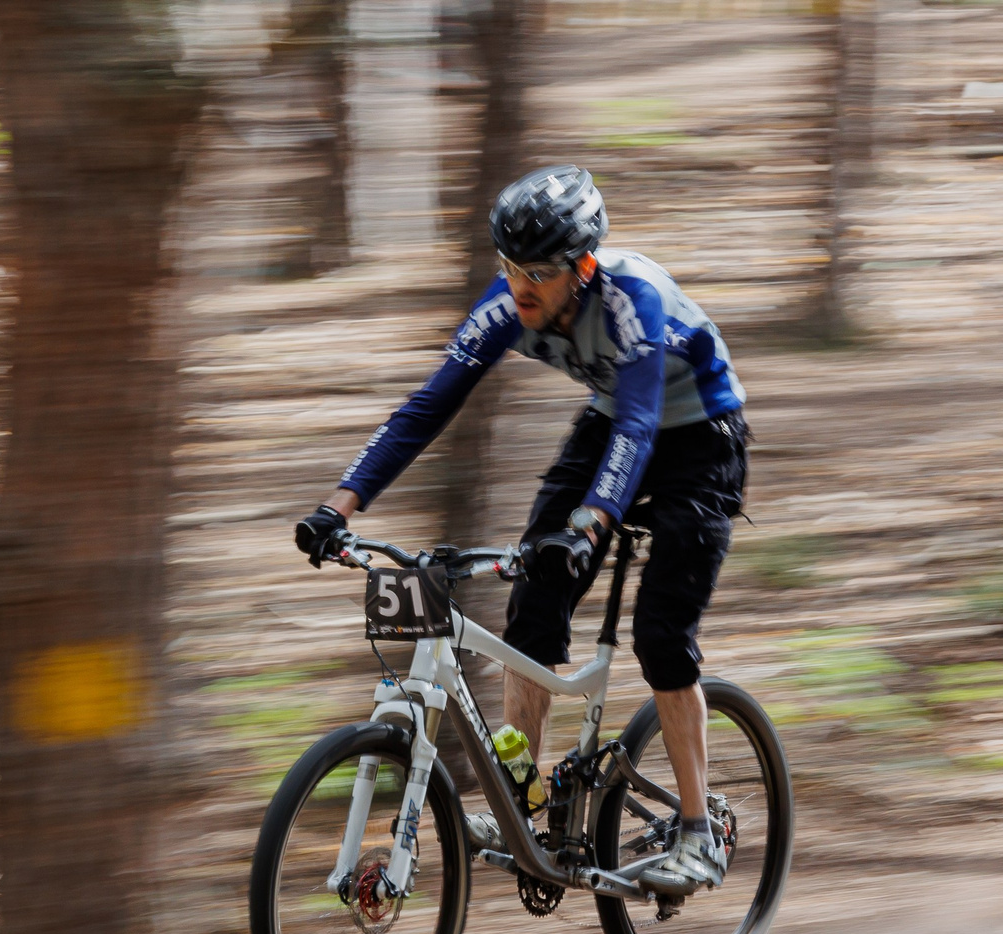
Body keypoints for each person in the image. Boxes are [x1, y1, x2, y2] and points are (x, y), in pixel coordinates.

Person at [294, 165, 749, 894]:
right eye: (508, 266)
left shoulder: (632, 298)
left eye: (538, 270)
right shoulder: (506, 305)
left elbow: (640, 423)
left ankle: (699, 832)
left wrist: (591, 523)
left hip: (700, 439)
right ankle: (520, 805)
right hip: (613, 425)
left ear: (584, 267)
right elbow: (425, 408)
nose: (520, 285)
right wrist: (339, 506)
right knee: (532, 607)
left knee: (661, 633)